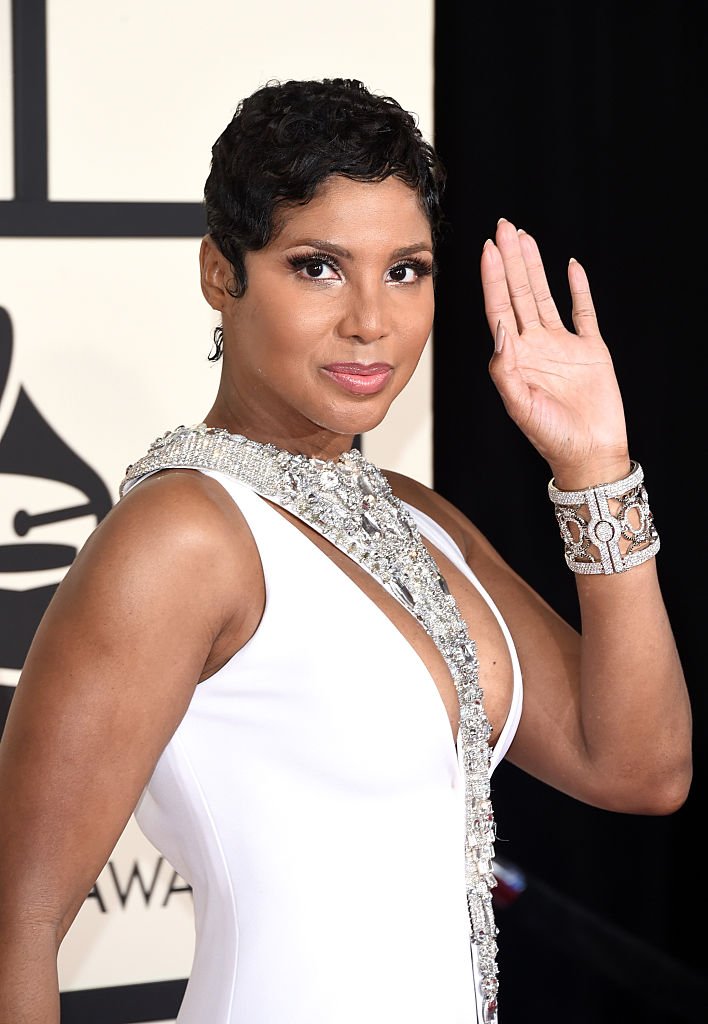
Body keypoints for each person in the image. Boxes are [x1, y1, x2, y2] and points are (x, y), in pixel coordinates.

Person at [0, 77, 692, 1024]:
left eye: (404, 270)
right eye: (318, 266)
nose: (372, 320)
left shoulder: (419, 517)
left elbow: (639, 765)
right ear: (220, 273)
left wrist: (595, 468)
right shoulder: (186, 535)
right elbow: (17, 925)